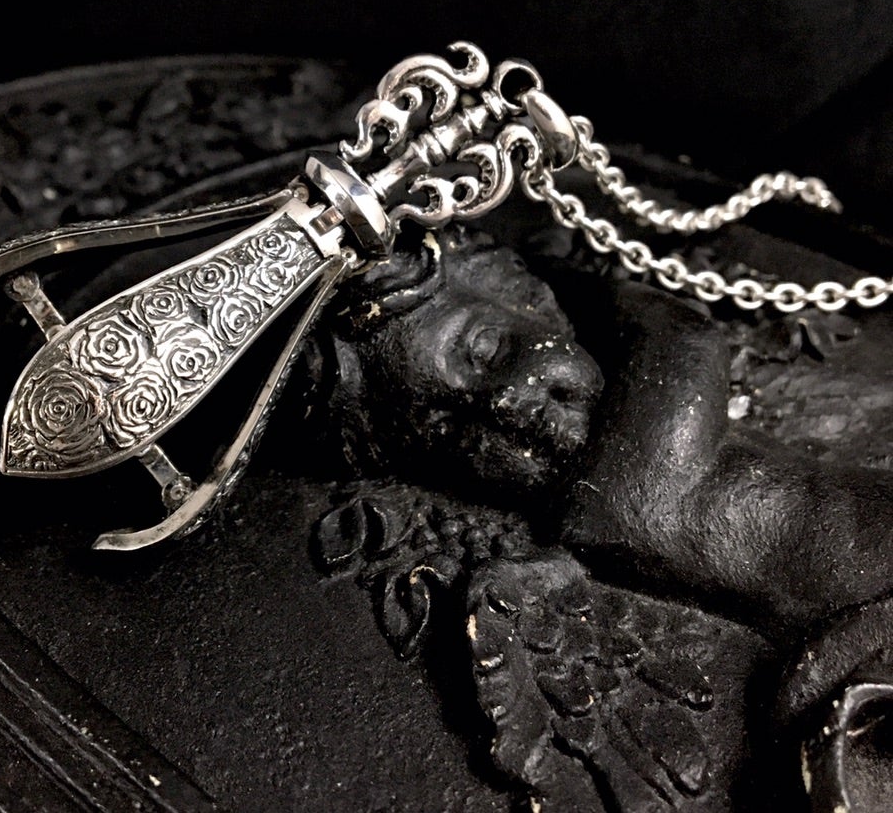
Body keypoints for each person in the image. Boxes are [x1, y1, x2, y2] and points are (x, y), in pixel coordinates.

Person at [309, 224, 893, 810]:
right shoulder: (623, 485)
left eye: (487, 348)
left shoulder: (613, 492)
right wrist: (564, 274)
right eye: (445, 429)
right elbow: (684, 333)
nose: (503, 403)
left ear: (532, 304)